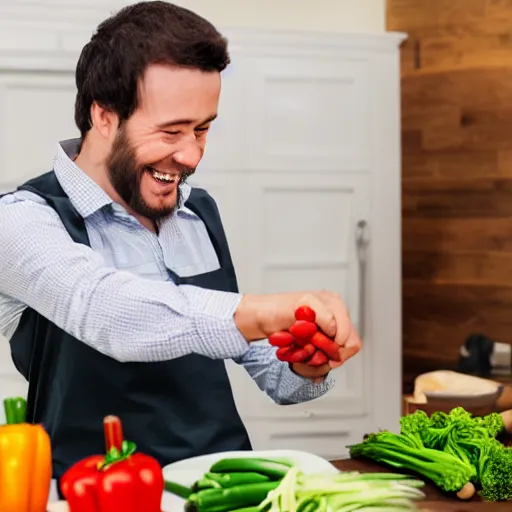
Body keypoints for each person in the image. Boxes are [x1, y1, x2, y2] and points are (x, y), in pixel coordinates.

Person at [0, 0, 362, 485]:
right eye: (171, 131)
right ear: (104, 116)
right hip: (93, 491)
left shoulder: (197, 211)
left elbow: (268, 370)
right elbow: (108, 313)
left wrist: (306, 363)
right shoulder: (23, 220)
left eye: (203, 128)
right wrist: (264, 311)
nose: (190, 155)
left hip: (223, 485)